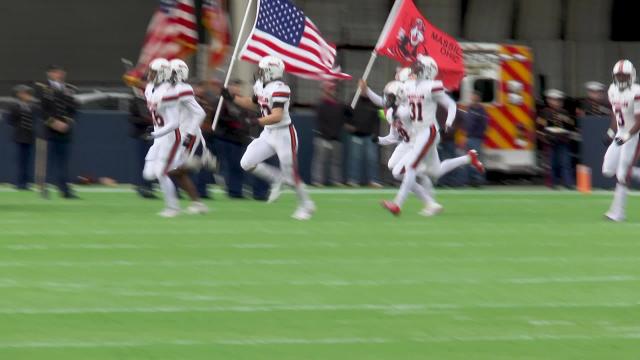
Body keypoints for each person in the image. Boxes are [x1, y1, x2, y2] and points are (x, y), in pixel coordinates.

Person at [381, 55, 484, 216]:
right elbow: (398, 89)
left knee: (410, 167)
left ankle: (398, 204)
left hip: (428, 131)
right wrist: (399, 75)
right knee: (433, 172)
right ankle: (468, 159)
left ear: (428, 72)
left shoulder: (432, 86)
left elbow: (450, 105)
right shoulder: (409, 85)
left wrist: (449, 121)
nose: (415, 69)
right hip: (419, 133)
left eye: (419, 68)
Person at [220, 56, 315, 220]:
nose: (259, 72)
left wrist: (255, 121)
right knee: (246, 163)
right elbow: (253, 103)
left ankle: (306, 205)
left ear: (271, 71)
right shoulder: (260, 85)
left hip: (284, 134)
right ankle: (277, 178)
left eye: (262, 69)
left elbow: (277, 116)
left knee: (292, 176)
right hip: (268, 133)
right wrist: (232, 98)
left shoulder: (281, 88)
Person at [602, 60, 640, 222]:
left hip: (634, 135)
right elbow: (615, 114)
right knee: (608, 170)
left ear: (632, 76)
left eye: (625, 76)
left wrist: (625, 137)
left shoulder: (636, 92)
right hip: (621, 133)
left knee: (623, 175)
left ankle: (618, 213)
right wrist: (611, 132)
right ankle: (637, 173)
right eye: (619, 76)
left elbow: (639, 121)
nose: (622, 79)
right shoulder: (612, 90)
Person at [36, 65, 78, 199]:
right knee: (47, 163)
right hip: (49, 131)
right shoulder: (42, 88)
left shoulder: (69, 89)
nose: (59, 75)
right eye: (56, 72)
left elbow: (72, 108)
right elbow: (41, 109)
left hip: (65, 131)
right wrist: (53, 122)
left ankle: (64, 190)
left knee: (63, 162)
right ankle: (44, 189)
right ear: (49, 73)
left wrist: (67, 123)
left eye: (61, 72)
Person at [214, 79, 255, 198]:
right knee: (231, 166)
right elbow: (219, 118)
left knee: (238, 166)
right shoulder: (222, 101)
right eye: (234, 86)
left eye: (238, 86)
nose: (237, 89)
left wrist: (245, 125)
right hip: (226, 137)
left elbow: (249, 115)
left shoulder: (242, 101)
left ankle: (236, 190)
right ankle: (233, 191)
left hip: (240, 139)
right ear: (229, 87)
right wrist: (236, 124)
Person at [538, 89, 575, 188]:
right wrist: (543, 138)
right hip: (550, 140)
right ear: (549, 101)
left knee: (565, 162)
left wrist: (566, 120)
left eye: (559, 100)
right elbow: (540, 127)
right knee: (551, 163)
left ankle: (568, 183)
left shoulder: (565, 112)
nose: (557, 102)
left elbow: (571, 125)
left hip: (563, 140)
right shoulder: (544, 112)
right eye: (554, 100)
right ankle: (552, 183)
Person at [311, 81, 346, 186]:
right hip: (323, 138)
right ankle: (317, 181)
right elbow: (319, 121)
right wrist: (327, 134)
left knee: (336, 162)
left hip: (336, 138)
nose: (332, 91)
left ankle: (336, 180)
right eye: (330, 89)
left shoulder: (339, 105)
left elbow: (344, 118)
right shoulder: (320, 104)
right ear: (325, 90)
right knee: (320, 161)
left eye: (333, 89)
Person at [345, 91, 382, 188]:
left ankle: (374, 180)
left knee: (372, 159)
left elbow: (377, 119)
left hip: (370, 135)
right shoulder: (353, 100)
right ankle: (353, 180)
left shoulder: (373, 103)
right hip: (356, 135)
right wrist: (348, 124)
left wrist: (376, 135)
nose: (363, 92)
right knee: (354, 159)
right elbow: (346, 114)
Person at [6, 85, 37, 190]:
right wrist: (19, 126)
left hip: (29, 136)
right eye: (24, 93)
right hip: (20, 136)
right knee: (21, 160)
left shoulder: (32, 106)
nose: (26, 95)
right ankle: (20, 183)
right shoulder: (14, 106)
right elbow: (10, 120)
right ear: (19, 94)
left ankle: (26, 182)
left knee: (27, 161)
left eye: (27, 93)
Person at [128, 95, 156, 198]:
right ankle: (144, 188)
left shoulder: (155, 99)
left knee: (152, 163)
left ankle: (149, 187)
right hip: (142, 135)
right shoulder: (136, 101)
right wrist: (147, 120)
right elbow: (131, 118)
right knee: (144, 163)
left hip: (155, 135)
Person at [464, 91, 489, 186]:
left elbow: (484, 125)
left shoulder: (481, 111)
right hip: (469, 138)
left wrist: (479, 134)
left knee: (477, 160)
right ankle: (471, 180)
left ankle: (479, 180)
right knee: (469, 160)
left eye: (474, 97)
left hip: (477, 138)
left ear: (478, 98)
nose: (473, 99)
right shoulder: (469, 109)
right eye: (472, 97)